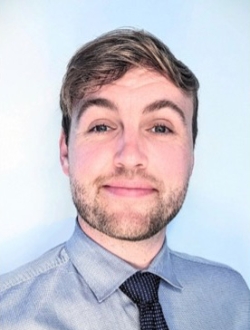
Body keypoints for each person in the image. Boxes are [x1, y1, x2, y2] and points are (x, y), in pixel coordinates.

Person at [1, 28, 249, 330]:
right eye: (102, 127)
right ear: (65, 151)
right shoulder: (8, 314)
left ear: (191, 154)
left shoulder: (233, 299)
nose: (130, 157)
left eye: (160, 128)